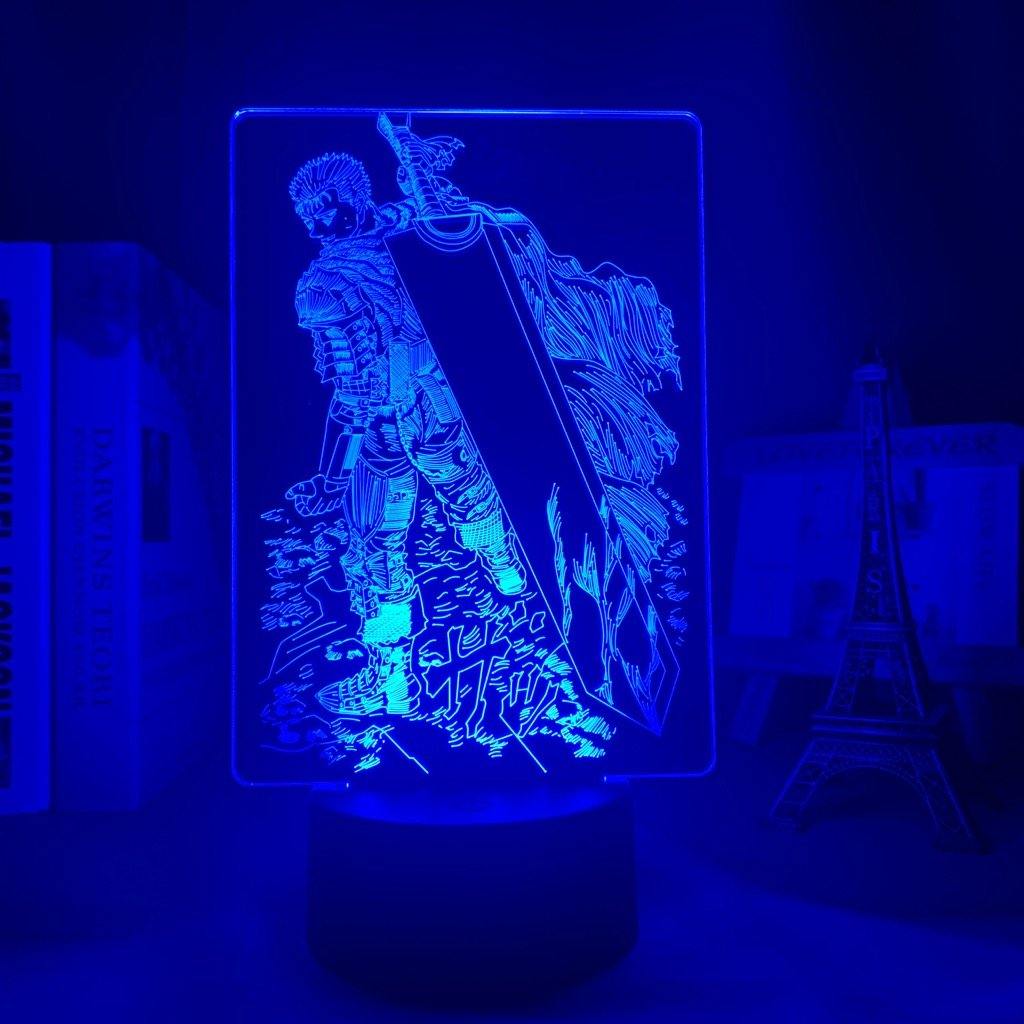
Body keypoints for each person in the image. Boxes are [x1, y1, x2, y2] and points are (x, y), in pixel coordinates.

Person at [286, 150, 527, 718]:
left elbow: (354, 390)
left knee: (376, 545)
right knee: (465, 489)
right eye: (307, 214)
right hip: (440, 401)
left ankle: (391, 683)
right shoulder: (415, 228)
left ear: (352, 199)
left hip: (386, 426)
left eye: (324, 209)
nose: (315, 225)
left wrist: (330, 476)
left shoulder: (325, 284)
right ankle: (508, 573)